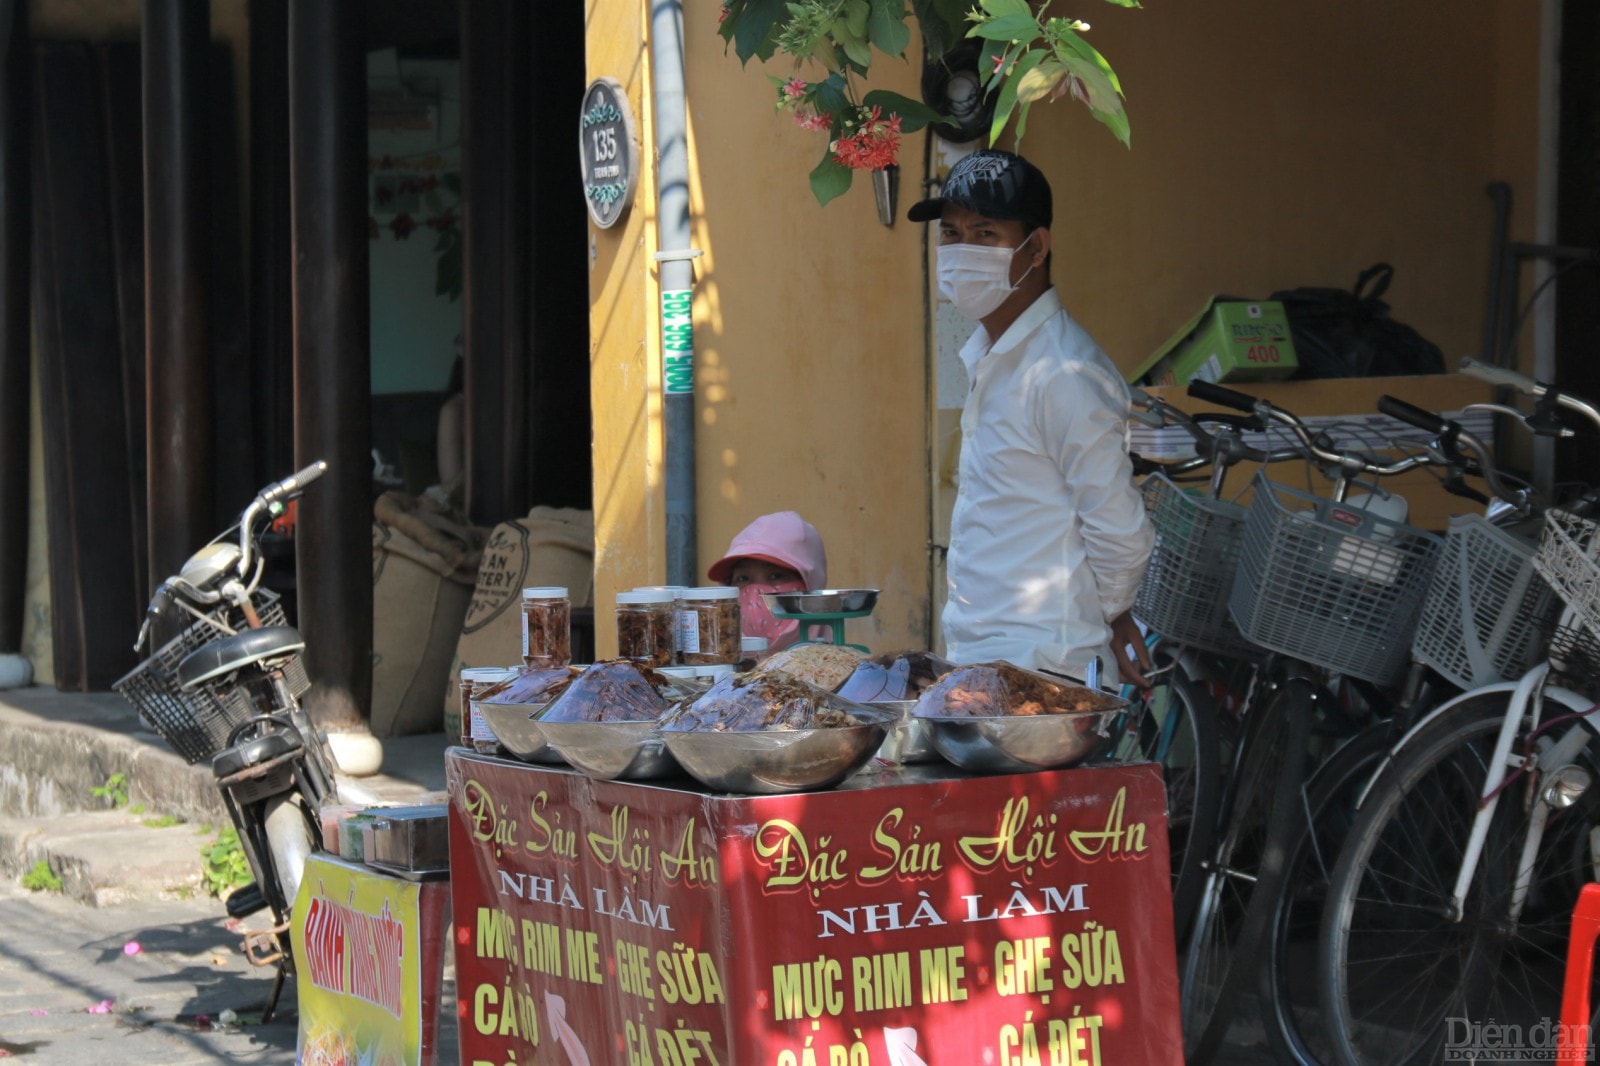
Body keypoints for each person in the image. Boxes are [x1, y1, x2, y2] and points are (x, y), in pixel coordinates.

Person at [907, 149, 1154, 687]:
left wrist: (1102, 615)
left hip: (1045, 669)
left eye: (985, 234)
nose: (960, 250)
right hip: (986, 655)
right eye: (950, 234)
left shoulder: (1064, 373)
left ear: (1036, 247)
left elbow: (1121, 533)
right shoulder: (994, 357)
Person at [706, 511, 827, 653]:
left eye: (776, 576)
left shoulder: (844, 670)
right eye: (743, 578)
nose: (757, 593)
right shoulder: (717, 668)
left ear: (810, 585)